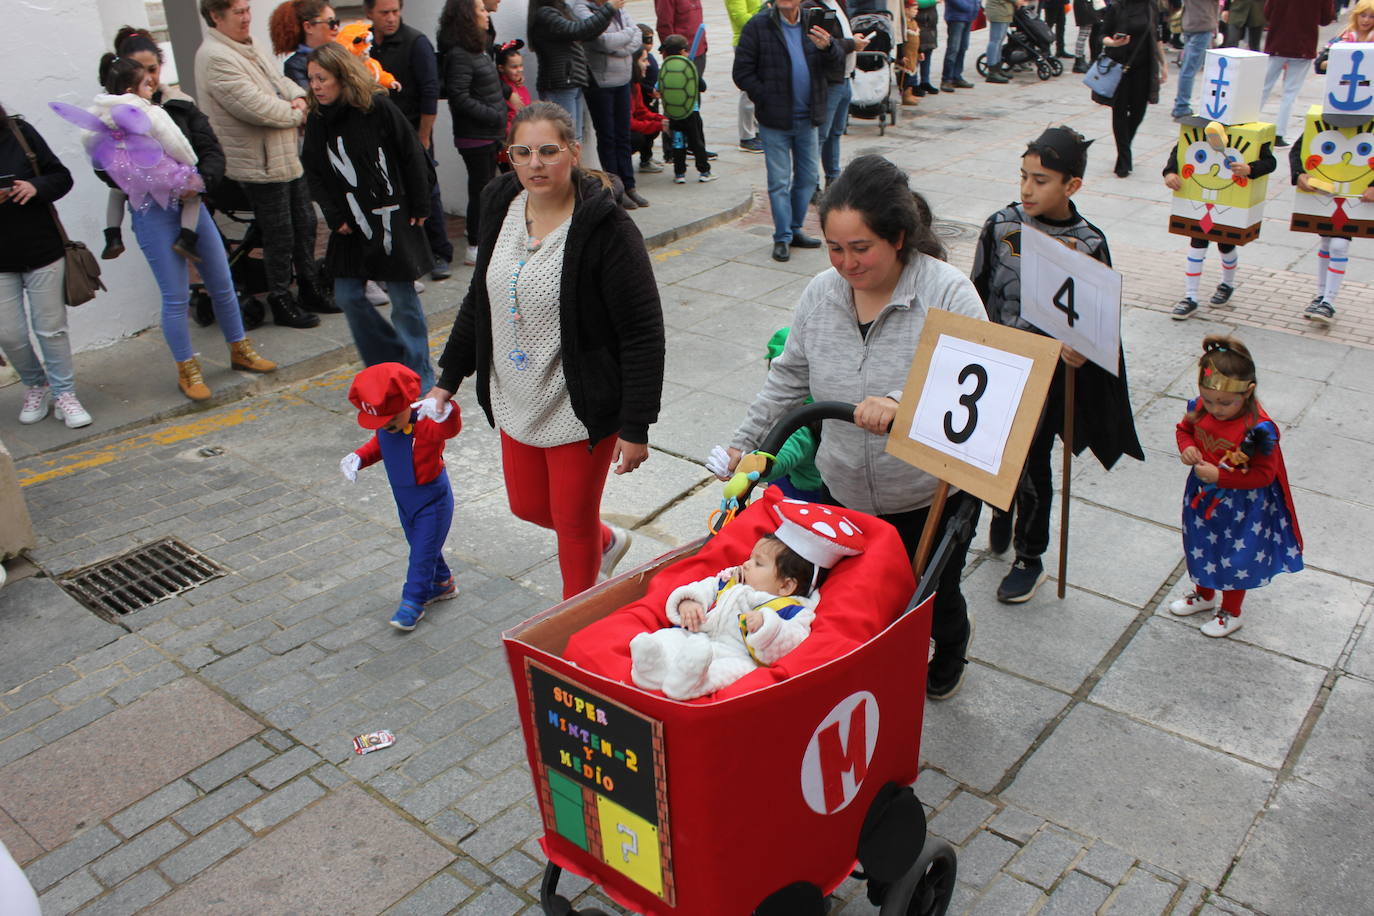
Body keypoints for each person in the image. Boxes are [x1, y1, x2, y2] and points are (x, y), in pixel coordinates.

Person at [724, 154, 987, 699]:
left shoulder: (948, 293)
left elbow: (974, 386)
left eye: (861, 248)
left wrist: (898, 402)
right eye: (835, 248)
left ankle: (950, 646)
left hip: (924, 492)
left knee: (930, 590)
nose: (847, 263)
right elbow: (788, 377)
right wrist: (743, 445)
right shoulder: (821, 293)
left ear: (898, 237)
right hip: (843, 486)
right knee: (852, 595)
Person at [427, 102, 665, 599]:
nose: (535, 163)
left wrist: (635, 425)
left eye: (549, 151)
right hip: (516, 395)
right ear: (509, 156)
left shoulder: (607, 227)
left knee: (572, 523)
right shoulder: (500, 202)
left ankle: (573, 624)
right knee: (529, 507)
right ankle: (606, 542)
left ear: (573, 153)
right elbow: (481, 298)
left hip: (579, 404)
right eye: (523, 152)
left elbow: (642, 331)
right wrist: (448, 378)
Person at [971, 127, 1144, 602]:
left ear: (1072, 185)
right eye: (1023, 176)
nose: (1027, 189)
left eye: (1041, 180)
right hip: (998, 367)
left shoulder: (1088, 243)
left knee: (1032, 464)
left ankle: (1030, 556)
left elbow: (1098, 322)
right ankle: (1001, 509)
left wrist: (1082, 349)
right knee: (993, 453)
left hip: (1047, 378)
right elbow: (976, 291)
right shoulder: (1000, 225)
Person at [99, 27, 279, 402]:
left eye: (153, 68)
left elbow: (208, 149)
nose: (151, 78)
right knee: (176, 296)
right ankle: (187, 367)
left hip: (192, 206)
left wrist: (199, 182)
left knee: (223, 282)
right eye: (142, 72)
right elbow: (107, 173)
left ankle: (240, 348)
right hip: (152, 213)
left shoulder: (178, 106)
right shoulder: (111, 123)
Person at [630, 500, 864, 699]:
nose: (746, 564)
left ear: (786, 585)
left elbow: (793, 641)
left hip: (737, 654)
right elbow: (704, 587)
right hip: (698, 635)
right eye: (750, 558)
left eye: (758, 563)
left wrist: (766, 626)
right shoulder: (733, 579)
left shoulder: (793, 610)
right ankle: (652, 671)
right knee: (668, 638)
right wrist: (689, 602)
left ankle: (689, 684)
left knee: (729, 672)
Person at [302, 44, 436, 390]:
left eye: (322, 78)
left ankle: (419, 376)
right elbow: (313, 170)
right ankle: (390, 363)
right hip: (351, 222)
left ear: (342, 76)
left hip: (392, 214)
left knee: (403, 299)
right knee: (347, 295)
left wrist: (420, 205)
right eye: (311, 79)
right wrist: (334, 216)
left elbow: (412, 154)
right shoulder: (318, 119)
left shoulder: (377, 107)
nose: (315, 86)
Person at [194, 0, 326, 329]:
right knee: (279, 234)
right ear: (216, 16)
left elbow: (284, 84)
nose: (246, 18)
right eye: (238, 12)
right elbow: (255, 107)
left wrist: (299, 99)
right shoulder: (215, 56)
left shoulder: (249, 46)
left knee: (305, 223)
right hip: (258, 164)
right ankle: (280, 298)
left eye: (247, 9)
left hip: (284, 156)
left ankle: (309, 287)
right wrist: (298, 113)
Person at [1170, 335, 1302, 638]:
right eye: (1209, 399)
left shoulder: (1259, 429)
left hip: (1243, 505)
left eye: (1225, 403)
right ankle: (1204, 594)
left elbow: (1265, 475)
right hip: (1201, 495)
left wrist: (1221, 477)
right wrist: (1187, 447)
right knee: (1200, 544)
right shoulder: (1199, 408)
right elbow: (1184, 429)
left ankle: (1231, 612)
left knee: (1234, 555)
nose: (1215, 409)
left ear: (1249, 391)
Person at [341, 362, 461, 631]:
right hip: (405, 502)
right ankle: (442, 582)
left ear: (408, 404)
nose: (387, 427)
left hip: (432, 502)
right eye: (381, 423)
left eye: (392, 420)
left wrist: (447, 412)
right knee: (421, 546)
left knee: (421, 554)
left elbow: (448, 430)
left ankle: (413, 601)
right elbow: (380, 444)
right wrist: (359, 457)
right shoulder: (387, 427)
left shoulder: (425, 424)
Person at [0, 102, 93, 429]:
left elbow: (62, 178)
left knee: (52, 329)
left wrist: (34, 187)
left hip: (42, 250)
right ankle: (36, 384)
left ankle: (65, 394)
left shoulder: (19, 132)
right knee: (8, 334)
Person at [733, 0, 843, 263]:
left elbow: (836, 64)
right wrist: (766, 96)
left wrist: (828, 47)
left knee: (807, 178)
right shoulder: (758, 25)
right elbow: (742, 72)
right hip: (775, 120)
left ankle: (795, 229)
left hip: (808, 118)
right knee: (779, 181)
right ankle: (782, 236)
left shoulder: (813, 23)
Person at [76, 57, 205, 266]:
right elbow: (175, 143)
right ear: (131, 90)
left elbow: (88, 140)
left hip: (125, 173)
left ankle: (113, 234)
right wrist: (191, 164)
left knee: (117, 191)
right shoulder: (149, 112)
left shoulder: (100, 113)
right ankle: (186, 238)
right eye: (146, 84)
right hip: (157, 169)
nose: (151, 88)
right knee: (193, 194)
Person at [368, 0, 455, 280]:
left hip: (413, 131)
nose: (391, 18)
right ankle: (406, 255)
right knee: (390, 193)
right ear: (369, 13)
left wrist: (424, 135)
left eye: (395, 11)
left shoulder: (416, 42)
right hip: (379, 133)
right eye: (384, 13)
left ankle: (439, 251)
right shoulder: (363, 45)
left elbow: (430, 91)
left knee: (426, 188)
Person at [1165, 128, 1276, 318]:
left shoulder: (1247, 132)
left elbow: (1270, 162)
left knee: (1226, 244)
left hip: (1231, 200)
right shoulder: (1199, 129)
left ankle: (1227, 284)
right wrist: (1169, 172)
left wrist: (1251, 169)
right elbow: (1180, 150)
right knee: (1197, 244)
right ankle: (1190, 296)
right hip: (1200, 200)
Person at [440, 0, 507, 266]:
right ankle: (475, 245)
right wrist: (493, 115)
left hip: (489, 133)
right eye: (480, 10)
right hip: (475, 136)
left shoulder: (478, 49)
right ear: (468, 16)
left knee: (491, 188)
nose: (486, 15)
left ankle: (487, 238)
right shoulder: (459, 55)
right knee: (481, 190)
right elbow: (459, 96)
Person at [574, 0, 650, 208]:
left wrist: (619, 47)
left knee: (623, 135)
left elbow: (636, 34)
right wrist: (623, 44)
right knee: (608, 136)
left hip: (623, 79)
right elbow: (601, 42)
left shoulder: (618, 8)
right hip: (600, 82)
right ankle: (615, 189)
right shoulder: (582, 8)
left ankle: (629, 185)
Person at [526, 0, 624, 143]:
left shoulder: (558, 10)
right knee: (566, 139)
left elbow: (587, 33)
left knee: (574, 139)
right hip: (560, 84)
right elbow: (577, 30)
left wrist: (609, 13)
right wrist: (608, 9)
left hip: (571, 82)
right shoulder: (545, 14)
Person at [1100, 0, 1168, 177]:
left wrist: (1163, 63)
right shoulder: (1116, 7)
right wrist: (1114, 43)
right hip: (1120, 67)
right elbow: (1103, 35)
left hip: (1144, 69)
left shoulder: (1150, 6)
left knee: (1139, 112)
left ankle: (1124, 150)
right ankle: (1124, 158)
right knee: (1120, 112)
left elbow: (1156, 37)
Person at [806, 0, 869, 190]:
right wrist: (852, 43)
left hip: (844, 78)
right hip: (828, 81)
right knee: (820, 135)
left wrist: (853, 39)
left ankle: (833, 180)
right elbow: (820, 44)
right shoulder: (811, 6)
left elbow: (837, 37)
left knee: (835, 133)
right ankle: (811, 184)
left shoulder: (837, 3)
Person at [1259, 0, 1336, 148]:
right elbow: (1326, 19)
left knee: (1264, 87)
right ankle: (1279, 132)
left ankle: (1249, 121)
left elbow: (1267, 13)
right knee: (1290, 92)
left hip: (1278, 41)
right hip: (1303, 44)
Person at [660, 34, 716, 183]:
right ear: (682, 51)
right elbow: (702, 87)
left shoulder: (665, 67)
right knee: (696, 142)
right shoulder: (689, 68)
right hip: (692, 111)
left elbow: (658, 88)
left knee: (677, 143)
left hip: (673, 113)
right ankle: (704, 171)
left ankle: (679, 174)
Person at [269, 0, 341, 90]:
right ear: (308, 27)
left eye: (336, 22)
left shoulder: (340, 54)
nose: (336, 28)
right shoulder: (295, 65)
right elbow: (310, 96)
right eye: (331, 23)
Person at [726, 0, 766, 151]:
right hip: (745, 41)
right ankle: (746, 136)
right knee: (748, 92)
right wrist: (766, 17)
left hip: (759, 38)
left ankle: (757, 129)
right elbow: (740, 17)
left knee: (759, 89)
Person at [1170, 0, 1218, 120]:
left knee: (1188, 67)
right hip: (1202, 24)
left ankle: (1180, 103)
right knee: (1189, 69)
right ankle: (1181, 106)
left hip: (1190, 23)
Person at [629, 50, 666, 173]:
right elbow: (630, 123)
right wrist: (658, 124)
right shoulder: (627, 88)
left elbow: (641, 111)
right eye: (644, 60)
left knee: (653, 129)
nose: (648, 64)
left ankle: (646, 159)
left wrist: (661, 120)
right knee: (637, 137)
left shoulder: (636, 84)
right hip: (622, 132)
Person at [498, 39, 533, 156]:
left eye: (521, 65)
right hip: (512, 143)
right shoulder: (504, 91)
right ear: (501, 68)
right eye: (514, 67)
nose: (520, 70)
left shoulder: (519, 86)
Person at [983, 0, 1029, 84]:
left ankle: (997, 68)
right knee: (995, 41)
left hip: (1004, 11)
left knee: (999, 42)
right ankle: (992, 72)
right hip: (998, 11)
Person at [939, 0, 979, 90]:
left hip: (969, 16)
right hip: (956, 17)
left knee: (963, 47)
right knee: (953, 49)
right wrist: (968, 7)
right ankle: (946, 79)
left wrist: (976, 5)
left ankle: (956, 76)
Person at [1070, 0, 1102, 73]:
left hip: (1086, 5)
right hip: (1085, 6)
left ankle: (1079, 60)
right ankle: (1078, 61)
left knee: (1084, 34)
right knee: (1083, 34)